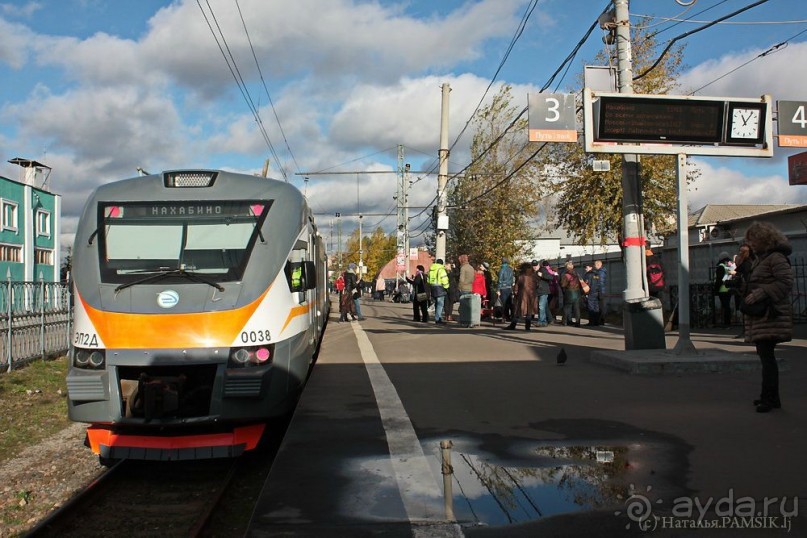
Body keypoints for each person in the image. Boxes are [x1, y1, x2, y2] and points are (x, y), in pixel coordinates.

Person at [741, 222, 793, 413]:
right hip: (763, 315)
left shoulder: (776, 258)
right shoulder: (762, 258)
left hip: (771, 315)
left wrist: (761, 293)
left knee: (767, 357)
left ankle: (769, 399)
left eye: (754, 240)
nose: (751, 244)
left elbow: (786, 282)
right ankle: (770, 397)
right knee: (765, 356)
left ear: (765, 239)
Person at [505, 262, 536, 331]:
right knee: (529, 311)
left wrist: (515, 293)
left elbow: (516, 287)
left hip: (522, 295)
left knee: (518, 311)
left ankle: (513, 325)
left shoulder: (521, 277)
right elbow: (537, 285)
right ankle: (527, 327)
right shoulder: (534, 276)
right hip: (531, 295)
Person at [714, 251, 734, 327]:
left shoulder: (721, 267)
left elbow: (719, 280)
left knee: (725, 307)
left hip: (722, 290)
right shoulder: (727, 267)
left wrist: (716, 290)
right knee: (727, 307)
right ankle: (727, 323)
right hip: (728, 289)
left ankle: (726, 323)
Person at [560, 260, 582, 327]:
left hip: (569, 292)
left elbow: (563, 285)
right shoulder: (577, 274)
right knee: (576, 308)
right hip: (577, 292)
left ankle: (565, 321)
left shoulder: (565, 275)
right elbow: (581, 283)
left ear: (566, 267)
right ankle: (578, 322)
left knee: (567, 307)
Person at [428, 258, 450, 324]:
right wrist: (446, 287)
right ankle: (438, 319)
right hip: (440, 288)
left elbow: (428, 279)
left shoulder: (431, 269)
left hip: (432, 287)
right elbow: (444, 279)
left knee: (437, 304)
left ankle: (437, 318)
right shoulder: (441, 269)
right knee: (440, 304)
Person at [583, 262, 602, 326]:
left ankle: (591, 322)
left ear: (590, 267)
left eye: (586, 267)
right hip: (596, 292)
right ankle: (596, 322)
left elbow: (586, 285)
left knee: (590, 307)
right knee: (596, 307)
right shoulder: (596, 274)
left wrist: (586, 293)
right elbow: (599, 283)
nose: (585, 269)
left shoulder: (588, 275)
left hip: (590, 293)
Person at [535, 260, 552, 327]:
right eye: (533, 266)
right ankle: (544, 321)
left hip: (544, 291)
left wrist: (542, 275)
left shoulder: (543, 270)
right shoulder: (534, 272)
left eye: (536, 265)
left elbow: (551, 277)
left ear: (539, 265)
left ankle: (541, 321)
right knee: (543, 306)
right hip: (538, 291)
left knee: (541, 306)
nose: (535, 267)